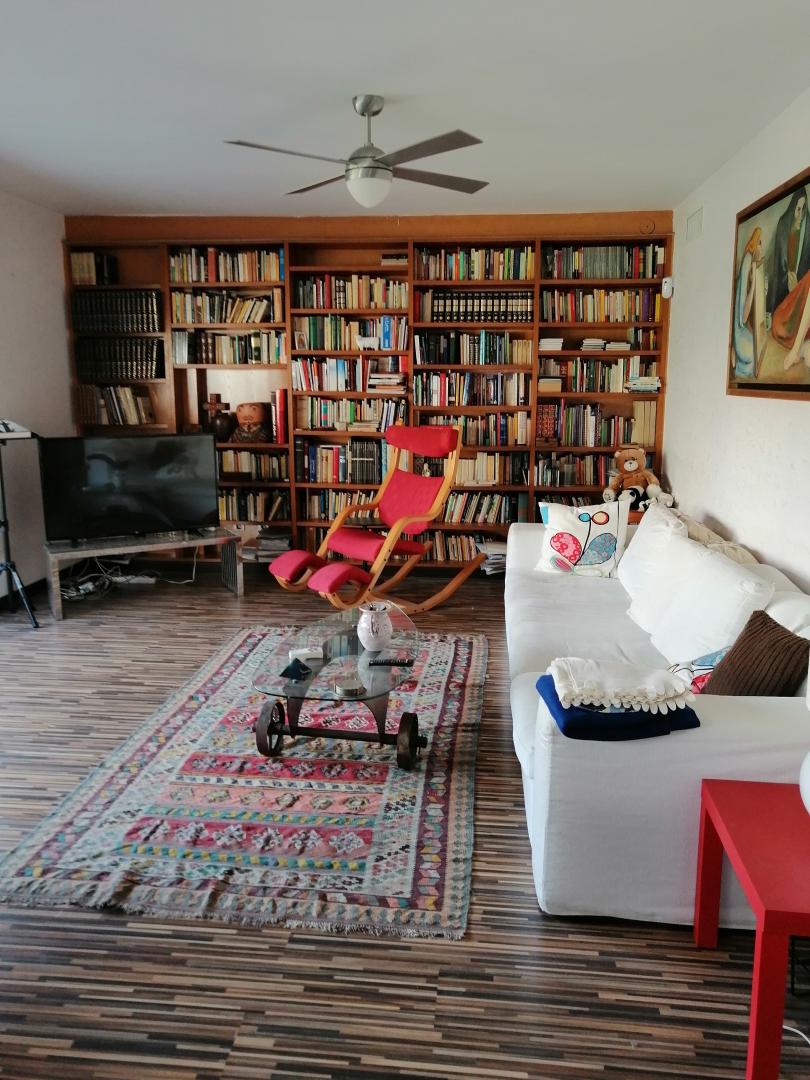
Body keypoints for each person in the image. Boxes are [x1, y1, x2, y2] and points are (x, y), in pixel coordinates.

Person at [767, 186, 809, 312]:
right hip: (783, 289)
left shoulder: (808, 229)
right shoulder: (783, 225)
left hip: (801, 291)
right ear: (793, 208)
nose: (800, 215)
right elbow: (777, 269)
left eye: (803, 209)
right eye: (798, 209)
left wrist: (797, 286)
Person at [733, 227, 762, 377]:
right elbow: (743, 317)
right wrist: (754, 284)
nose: (760, 252)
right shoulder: (747, 264)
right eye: (759, 246)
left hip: (741, 330)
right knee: (753, 353)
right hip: (739, 333)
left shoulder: (748, 261)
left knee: (759, 344)